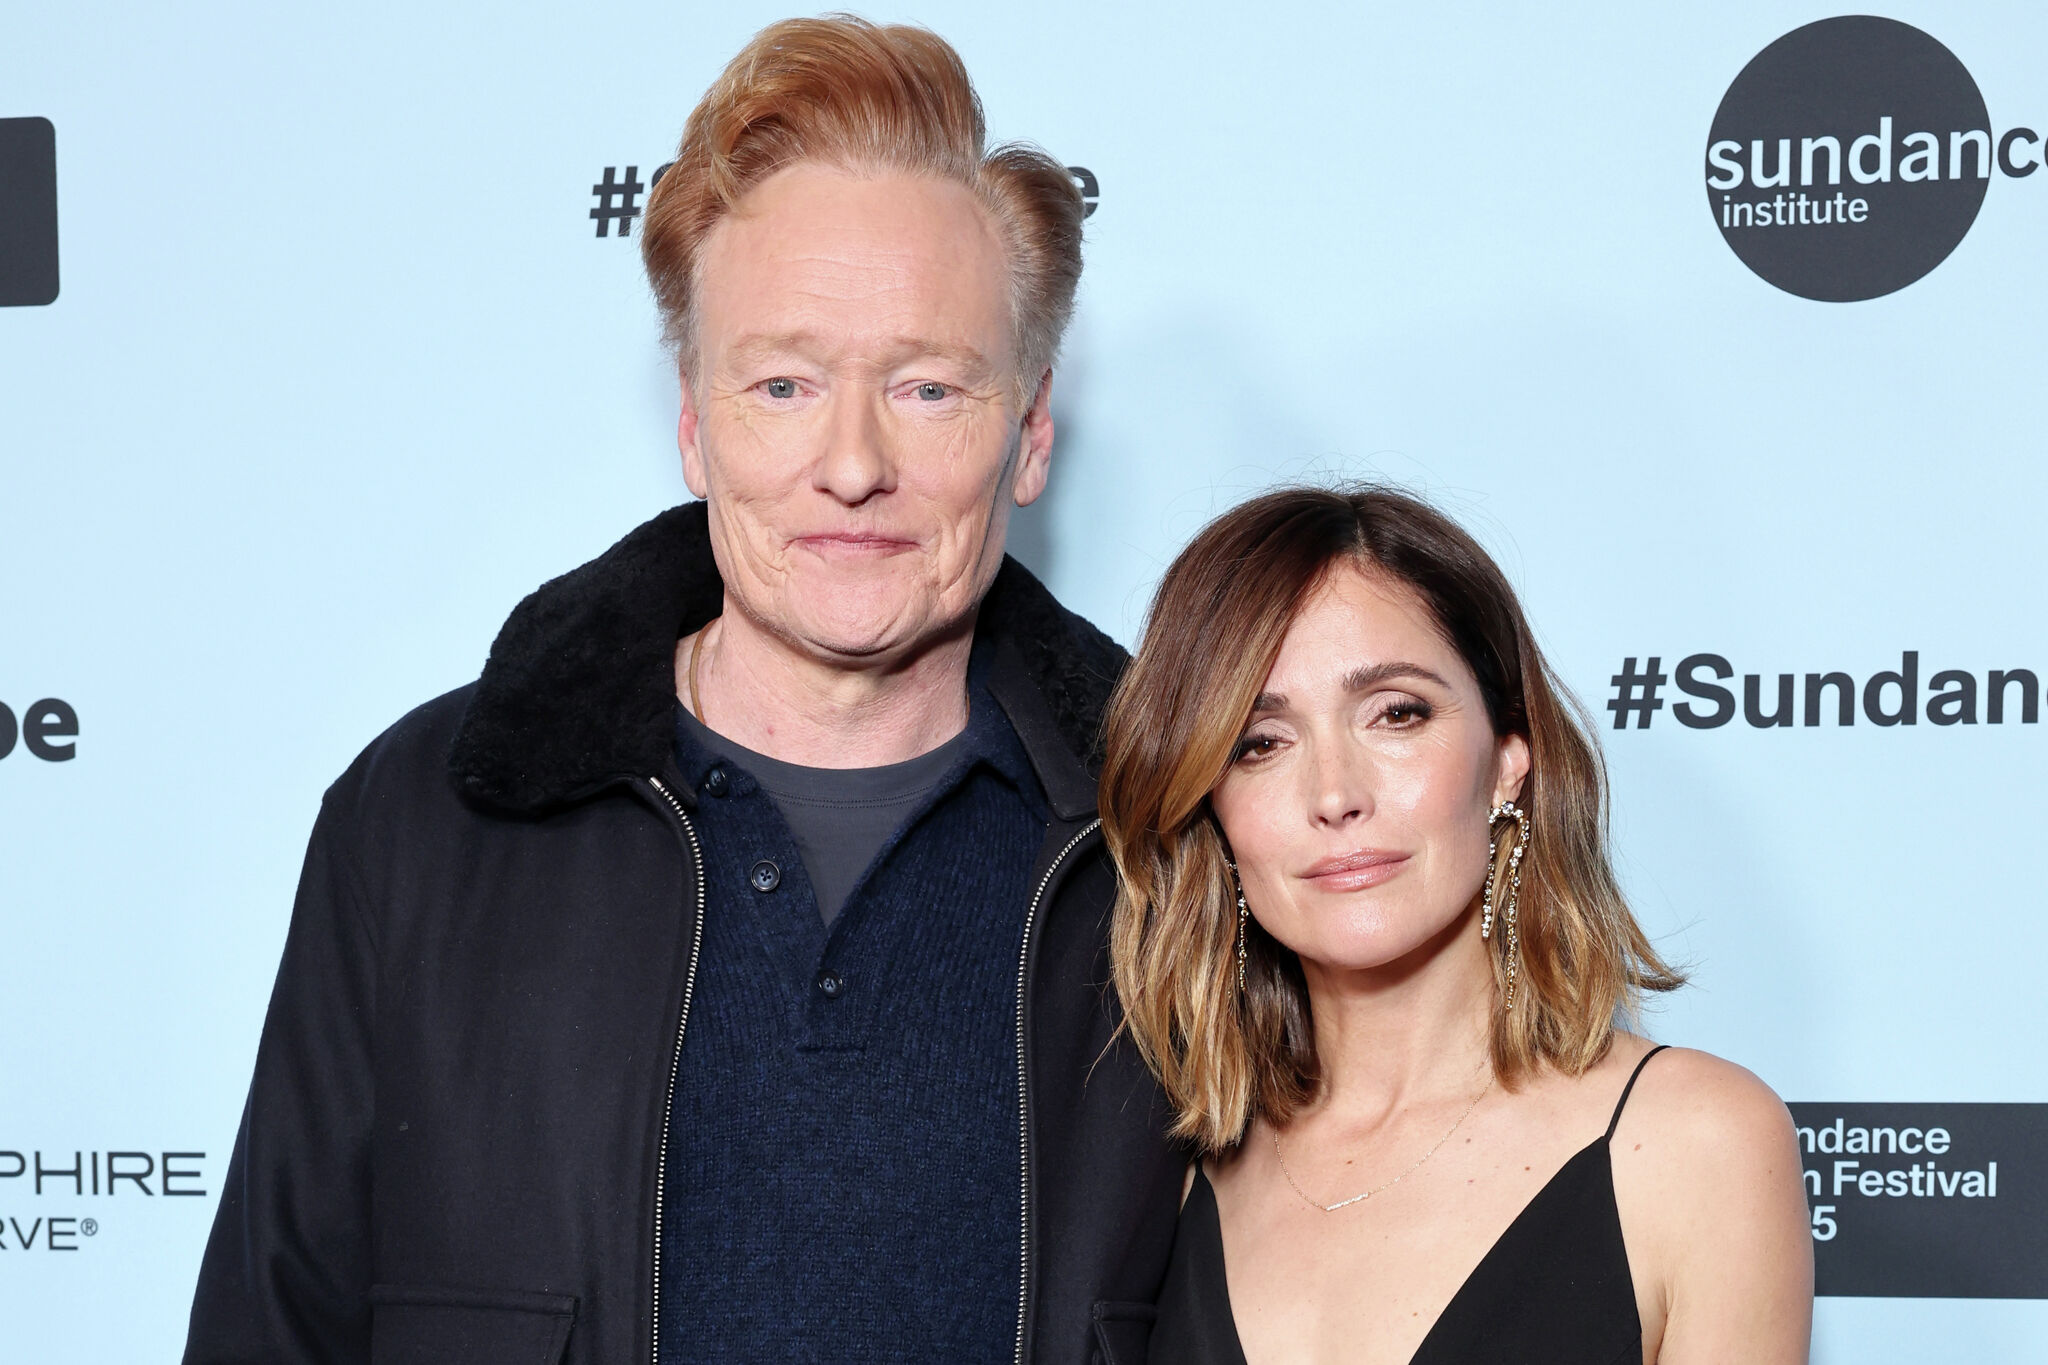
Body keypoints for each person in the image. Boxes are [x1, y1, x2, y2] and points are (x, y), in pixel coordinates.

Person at [182, 17, 1181, 1365]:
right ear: (697, 423)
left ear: (1031, 433)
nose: (852, 464)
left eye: (929, 387)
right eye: (784, 383)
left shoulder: (1178, 850)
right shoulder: (424, 824)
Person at [1099, 486, 1813, 1364]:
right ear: (1210, 806)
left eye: (1396, 713)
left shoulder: (1696, 1143)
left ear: (1510, 757)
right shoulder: (1164, 1168)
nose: (1335, 795)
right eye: (1260, 742)